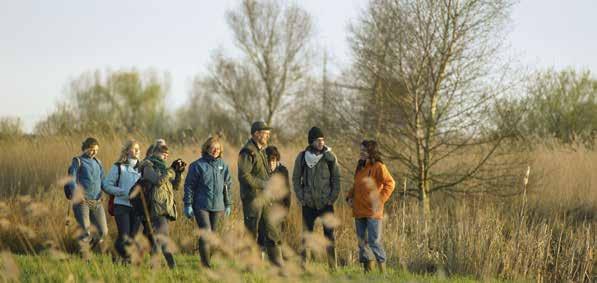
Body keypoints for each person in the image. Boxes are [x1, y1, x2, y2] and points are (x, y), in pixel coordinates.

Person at [292, 127, 341, 270]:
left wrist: (332, 198)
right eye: (318, 140)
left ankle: (333, 266)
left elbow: (336, 179)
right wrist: (301, 198)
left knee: (329, 236)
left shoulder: (330, 157)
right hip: (308, 203)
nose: (321, 142)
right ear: (311, 141)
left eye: (322, 139)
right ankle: (303, 266)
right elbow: (296, 178)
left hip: (326, 203)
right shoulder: (302, 157)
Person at [238, 121, 283, 267]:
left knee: (272, 231)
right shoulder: (247, 151)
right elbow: (244, 176)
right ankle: (251, 267)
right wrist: (264, 184)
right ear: (256, 133)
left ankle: (278, 267)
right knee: (252, 234)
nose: (267, 136)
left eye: (268, 134)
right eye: (265, 133)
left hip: (265, 199)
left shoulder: (262, 151)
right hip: (252, 200)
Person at [346, 140, 395, 273]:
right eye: (360, 150)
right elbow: (356, 185)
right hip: (359, 210)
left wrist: (380, 200)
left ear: (371, 152)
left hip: (373, 211)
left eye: (364, 151)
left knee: (374, 242)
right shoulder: (360, 166)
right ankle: (368, 273)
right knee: (362, 243)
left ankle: (383, 273)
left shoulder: (379, 166)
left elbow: (390, 184)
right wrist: (349, 197)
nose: (361, 153)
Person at [183, 136, 232, 268]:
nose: (215, 150)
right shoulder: (197, 165)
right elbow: (189, 186)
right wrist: (187, 204)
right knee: (206, 232)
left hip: (218, 206)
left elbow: (227, 185)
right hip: (201, 205)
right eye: (212, 148)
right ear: (206, 148)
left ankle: (205, 260)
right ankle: (206, 265)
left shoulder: (223, 165)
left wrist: (228, 204)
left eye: (218, 148)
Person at [138, 144, 186, 269]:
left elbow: (175, 186)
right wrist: (171, 170)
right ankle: (162, 267)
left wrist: (179, 173)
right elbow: (158, 181)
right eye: (163, 152)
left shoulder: (163, 167)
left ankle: (170, 267)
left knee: (162, 239)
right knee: (161, 239)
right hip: (155, 208)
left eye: (167, 153)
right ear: (154, 152)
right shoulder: (148, 166)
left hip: (165, 208)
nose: (166, 155)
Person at [65, 137, 108, 258]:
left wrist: (103, 193)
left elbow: (102, 180)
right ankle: (85, 256)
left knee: (103, 232)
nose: (94, 152)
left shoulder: (98, 163)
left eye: (96, 150)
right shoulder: (77, 161)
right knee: (85, 230)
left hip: (97, 202)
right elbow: (71, 180)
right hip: (81, 202)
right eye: (92, 149)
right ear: (85, 148)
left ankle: (87, 249)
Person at [102, 139, 142, 264]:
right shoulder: (118, 167)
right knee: (124, 235)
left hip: (137, 207)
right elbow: (106, 185)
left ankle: (125, 261)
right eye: (134, 148)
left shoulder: (143, 168)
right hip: (121, 205)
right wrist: (123, 192)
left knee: (133, 237)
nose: (136, 151)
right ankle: (119, 256)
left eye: (138, 149)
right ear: (127, 150)